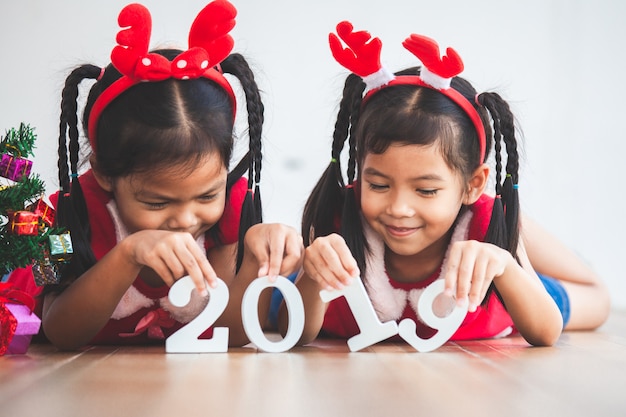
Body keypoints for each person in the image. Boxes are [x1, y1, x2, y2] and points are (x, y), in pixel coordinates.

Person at [282, 21, 609, 347]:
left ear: (473, 184)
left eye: (425, 190)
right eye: (379, 185)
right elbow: (287, 327)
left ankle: (520, 228)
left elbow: (548, 331)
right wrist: (311, 275)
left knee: (593, 294)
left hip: (503, 272)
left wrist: (506, 265)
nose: (399, 208)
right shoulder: (337, 221)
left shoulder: (488, 236)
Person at [39, 0, 303, 350]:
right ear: (102, 171)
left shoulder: (235, 209)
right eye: (157, 201)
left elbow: (236, 336)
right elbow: (57, 330)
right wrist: (128, 254)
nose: (186, 219)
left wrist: (257, 259)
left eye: (207, 195)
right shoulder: (64, 214)